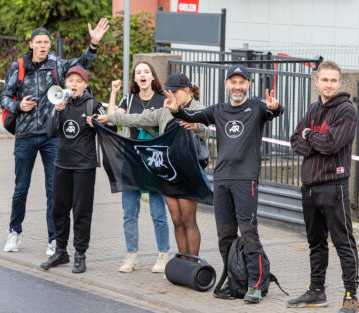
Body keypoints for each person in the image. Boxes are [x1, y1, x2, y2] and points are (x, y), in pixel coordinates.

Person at [163, 65, 283, 303]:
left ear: (248, 85)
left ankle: (255, 284)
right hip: (222, 179)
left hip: (245, 179)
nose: (237, 87)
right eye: (233, 82)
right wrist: (176, 111)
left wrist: (276, 107)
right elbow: (192, 117)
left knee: (249, 232)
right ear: (226, 85)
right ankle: (233, 280)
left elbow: (276, 111)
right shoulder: (218, 110)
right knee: (225, 235)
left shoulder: (258, 106)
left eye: (242, 83)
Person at [0, 20, 109, 255]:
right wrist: (19, 105)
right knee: (21, 187)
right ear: (31, 44)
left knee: (54, 190)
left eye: (46, 42)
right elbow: (4, 98)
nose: (42, 46)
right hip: (25, 135)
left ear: (50, 45)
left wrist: (93, 44)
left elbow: (81, 66)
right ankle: (14, 232)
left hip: (52, 136)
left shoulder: (57, 65)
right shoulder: (18, 67)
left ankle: (53, 240)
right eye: (38, 42)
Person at [93, 73, 209, 260]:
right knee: (177, 220)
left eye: (174, 91)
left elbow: (207, 130)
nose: (169, 95)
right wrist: (110, 118)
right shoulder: (165, 110)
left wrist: (196, 127)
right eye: (167, 91)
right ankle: (183, 262)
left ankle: (193, 263)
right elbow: (137, 119)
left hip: (189, 173)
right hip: (169, 173)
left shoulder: (198, 109)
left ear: (186, 90)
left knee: (188, 220)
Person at [288, 61, 359, 313]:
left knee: (344, 243)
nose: (328, 84)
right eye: (324, 79)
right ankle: (317, 292)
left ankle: (351, 297)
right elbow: (294, 141)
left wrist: (309, 135)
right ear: (316, 81)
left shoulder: (346, 111)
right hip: (309, 187)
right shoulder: (312, 109)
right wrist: (310, 138)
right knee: (315, 243)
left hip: (333, 187)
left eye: (333, 80)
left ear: (340, 83)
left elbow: (332, 145)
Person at [103, 61, 170, 273]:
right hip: (131, 160)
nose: (142, 75)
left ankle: (163, 255)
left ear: (152, 77)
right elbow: (113, 120)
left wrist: (146, 124)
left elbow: (167, 129)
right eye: (138, 72)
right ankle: (132, 256)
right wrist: (114, 93)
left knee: (158, 212)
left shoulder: (162, 100)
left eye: (146, 72)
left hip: (154, 160)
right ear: (134, 79)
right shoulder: (129, 99)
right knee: (129, 213)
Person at [40, 66, 107, 273]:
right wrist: (56, 112)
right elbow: (50, 132)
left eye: (78, 81)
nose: (74, 85)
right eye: (70, 81)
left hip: (84, 166)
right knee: (58, 209)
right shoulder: (59, 102)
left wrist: (97, 124)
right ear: (65, 84)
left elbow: (109, 128)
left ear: (85, 84)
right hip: (62, 163)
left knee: (81, 211)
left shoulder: (93, 105)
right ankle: (61, 251)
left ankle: (80, 253)